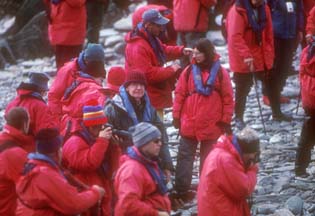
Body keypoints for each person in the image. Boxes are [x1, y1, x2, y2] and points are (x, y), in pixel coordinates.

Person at [172, 38, 234, 201]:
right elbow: (179, 94)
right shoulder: (187, 72)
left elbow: (228, 98)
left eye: (198, 53)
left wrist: (225, 120)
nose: (195, 56)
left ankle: (206, 189)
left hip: (212, 124)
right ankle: (181, 190)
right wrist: (176, 116)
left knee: (208, 159)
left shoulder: (221, 73)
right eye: (194, 52)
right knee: (185, 156)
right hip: (190, 121)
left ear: (207, 53)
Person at [226, 0, 291, 130]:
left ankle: (277, 113)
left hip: (261, 55)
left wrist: (270, 54)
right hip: (244, 57)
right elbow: (235, 37)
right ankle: (238, 117)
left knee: (272, 83)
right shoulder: (238, 10)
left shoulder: (264, 8)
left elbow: (268, 34)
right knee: (242, 89)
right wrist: (246, 56)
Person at [15, 128, 105, 215]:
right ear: (58, 152)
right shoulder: (46, 174)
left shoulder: (30, 164)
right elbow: (74, 204)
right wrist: (96, 193)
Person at [104, 71, 173, 180]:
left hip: (147, 158)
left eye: (141, 85)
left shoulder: (149, 109)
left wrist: (166, 166)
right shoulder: (113, 107)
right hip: (123, 161)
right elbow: (107, 134)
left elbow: (161, 137)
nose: (139, 88)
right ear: (127, 87)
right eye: (134, 84)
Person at [125, 9, 192, 119]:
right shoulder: (138, 46)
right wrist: (171, 69)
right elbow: (147, 75)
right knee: (155, 131)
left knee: (158, 129)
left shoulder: (149, 38)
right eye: (158, 25)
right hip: (146, 99)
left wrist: (181, 51)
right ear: (148, 25)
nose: (162, 29)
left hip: (153, 96)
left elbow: (163, 50)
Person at [62, 101, 117, 216]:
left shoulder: (96, 138)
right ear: (89, 126)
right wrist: (102, 141)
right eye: (97, 126)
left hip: (102, 188)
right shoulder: (74, 142)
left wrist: (114, 144)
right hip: (84, 191)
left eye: (103, 125)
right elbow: (89, 163)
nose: (101, 129)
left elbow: (114, 164)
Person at [197, 127, 259, 216]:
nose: (253, 160)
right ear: (246, 152)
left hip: (213, 208)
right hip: (219, 211)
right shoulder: (226, 160)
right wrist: (252, 170)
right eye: (253, 157)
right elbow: (243, 189)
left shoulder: (221, 152)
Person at [114, 122, 171, 216]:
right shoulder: (132, 170)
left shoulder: (148, 162)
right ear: (144, 143)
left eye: (160, 140)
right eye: (156, 141)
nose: (160, 144)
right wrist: (156, 213)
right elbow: (128, 204)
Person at [48, 43, 106, 128]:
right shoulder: (68, 70)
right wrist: (58, 121)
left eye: (98, 63)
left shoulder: (95, 69)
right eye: (93, 63)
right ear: (86, 59)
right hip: (65, 116)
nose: (95, 66)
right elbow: (53, 96)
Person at [265, 0, 304, 106]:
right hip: (276, 35)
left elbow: (300, 11)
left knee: (286, 66)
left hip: (291, 34)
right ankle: (268, 94)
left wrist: (300, 29)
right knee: (274, 66)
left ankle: (277, 92)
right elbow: (265, 11)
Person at [0, 107, 32, 215]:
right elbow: (32, 185)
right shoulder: (15, 153)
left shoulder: (3, 140)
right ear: (24, 124)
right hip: (6, 209)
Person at [6, 72, 52, 138]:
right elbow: (45, 131)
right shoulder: (41, 106)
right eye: (45, 92)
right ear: (41, 91)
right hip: (29, 145)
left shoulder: (12, 103)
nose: (45, 95)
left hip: (11, 142)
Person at [43, 0, 86, 70]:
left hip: (72, 31)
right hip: (58, 28)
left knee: (72, 67)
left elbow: (78, 2)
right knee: (62, 68)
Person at [173, 0, 217, 65]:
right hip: (194, 24)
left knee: (183, 53)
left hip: (179, 22)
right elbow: (210, 2)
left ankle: (184, 73)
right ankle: (196, 74)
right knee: (196, 56)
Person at [295, 39, 315, 177]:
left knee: (308, 134)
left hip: (309, 98)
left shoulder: (307, 50)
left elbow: (301, 73)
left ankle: (300, 167)